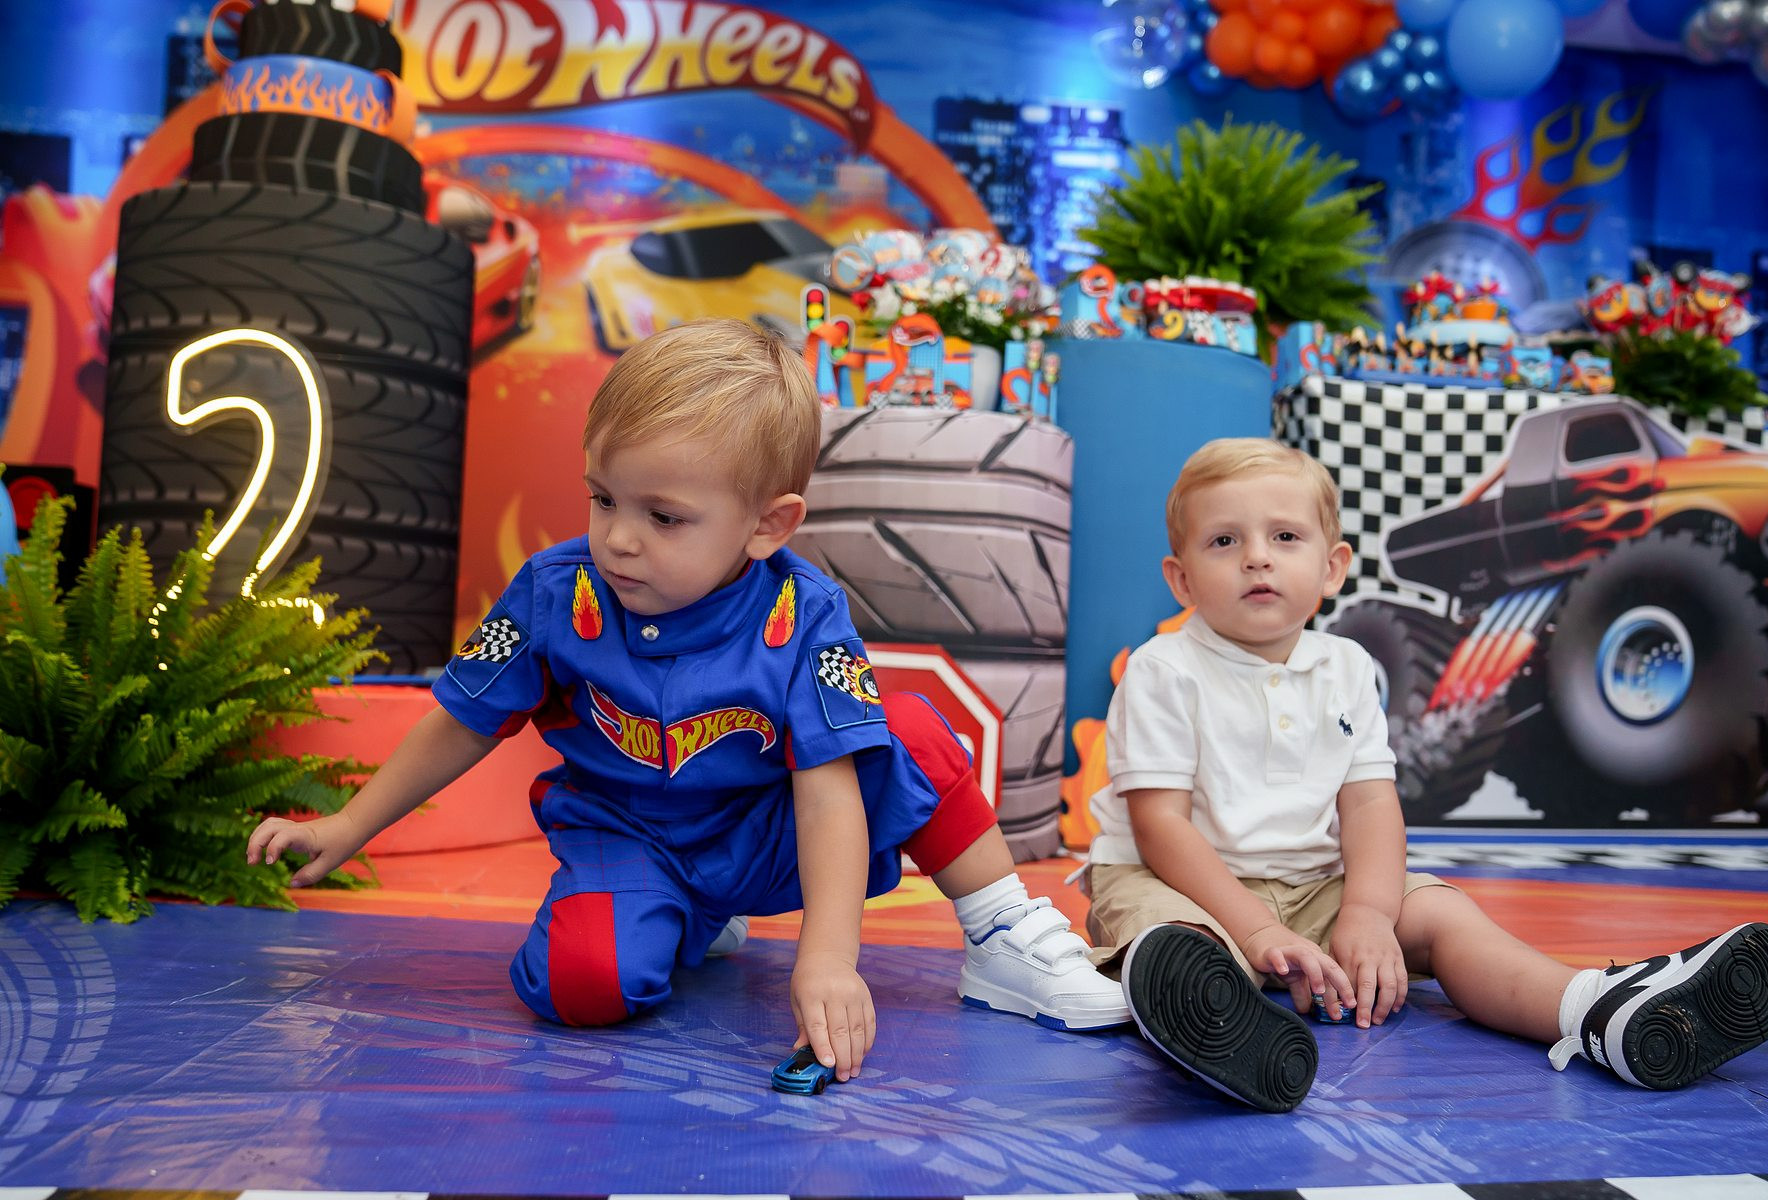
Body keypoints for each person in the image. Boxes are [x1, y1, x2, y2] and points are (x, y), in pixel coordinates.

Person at [246, 319, 1126, 1083]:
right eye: (603, 499)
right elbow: (462, 721)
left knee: (907, 735)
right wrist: (347, 825)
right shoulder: (555, 593)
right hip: (630, 837)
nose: (619, 539)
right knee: (581, 987)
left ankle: (1002, 934)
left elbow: (828, 792)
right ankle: (683, 921)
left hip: (766, 838)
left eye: (663, 517)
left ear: (767, 525)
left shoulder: (805, 614)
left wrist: (827, 959)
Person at [1081, 436, 1768, 1112]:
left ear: (1332, 568)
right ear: (1181, 578)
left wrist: (1367, 914)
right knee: (1177, 940)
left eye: (1285, 537)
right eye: (1224, 541)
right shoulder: (1164, 669)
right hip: (1176, 880)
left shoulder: (1347, 667)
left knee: (1444, 915)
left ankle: (1592, 1010)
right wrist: (1255, 931)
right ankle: (1223, 1027)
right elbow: (1160, 826)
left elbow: (1370, 805)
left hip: (1310, 885)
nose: (1257, 559)